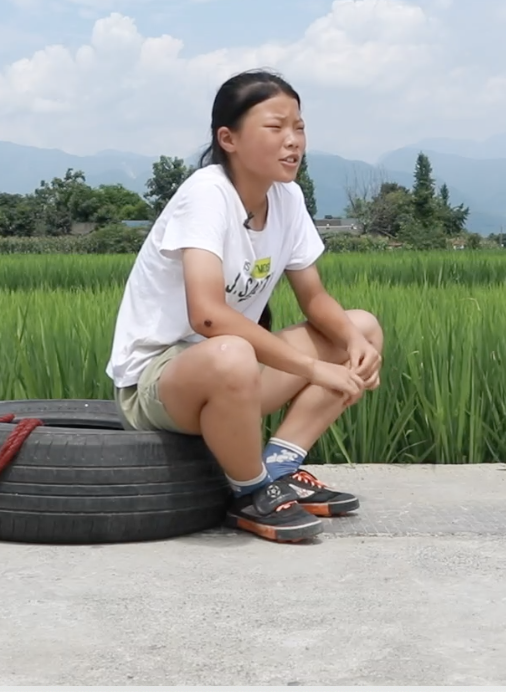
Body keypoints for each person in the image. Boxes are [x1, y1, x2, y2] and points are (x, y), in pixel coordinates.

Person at [105, 70, 385, 543]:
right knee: (230, 350)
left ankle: (280, 468)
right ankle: (251, 493)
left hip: (233, 372)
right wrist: (314, 369)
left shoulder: (287, 197)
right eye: (275, 127)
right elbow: (208, 316)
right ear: (228, 139)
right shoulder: (206, 194)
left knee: (362, 327)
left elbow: (315, 298)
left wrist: (355, 345)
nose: (293, 141)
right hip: (159, 384)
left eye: (299, 127)